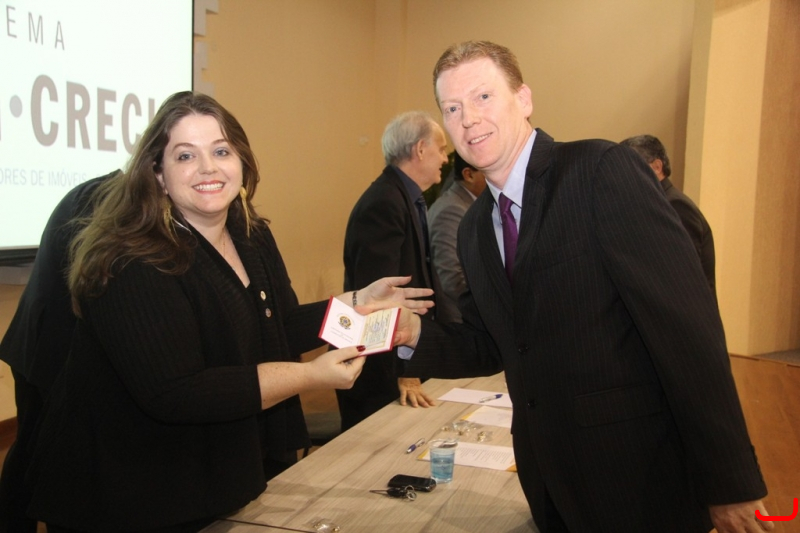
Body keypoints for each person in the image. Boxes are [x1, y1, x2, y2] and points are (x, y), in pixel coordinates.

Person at [394, 41, 772, 533]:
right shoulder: (474, 228)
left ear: (523, 99)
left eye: (483, 97)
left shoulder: (599, 171)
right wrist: (411, 335)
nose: (468, 119)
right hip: (548, 486)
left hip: (639, 482)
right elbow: (494, 343)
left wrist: (729, 481)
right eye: (452, 108)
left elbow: (688, 332)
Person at [22, 91, 433, 533]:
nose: (208, 168)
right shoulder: (131, 258)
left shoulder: (249, 234)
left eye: (221, 151)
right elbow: (177, 391)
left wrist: (358, 301)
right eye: (185, 155)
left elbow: (280, 325)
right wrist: (310, 376)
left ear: (242, 161)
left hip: (205, 472)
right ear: (158, 173)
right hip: (128, 490)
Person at [0, 170, 119, 533]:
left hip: (45, 342)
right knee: (48, 458)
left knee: (34, 450)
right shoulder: (104, 201)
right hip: (49, 348)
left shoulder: (110, 192)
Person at [337, 110, 451, 431]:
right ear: (420, 149)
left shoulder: (403, 197)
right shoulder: (384, 203)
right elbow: (377, 298)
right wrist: (406, 370)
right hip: (382, 370)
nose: (445, 159)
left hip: (400, 358)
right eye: (442, 149)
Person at [621, 134, 716, 295]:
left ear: (657, 167)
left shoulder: (676, 205)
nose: (625, 177)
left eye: (631, 168)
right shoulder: (656, 204)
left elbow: (683, 272)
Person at [428, 151, 487, 322]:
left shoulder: (466, 204)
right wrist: (491, 307)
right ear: (469, 175)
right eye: (488, 171)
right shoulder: (452, 210)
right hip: (460, 319)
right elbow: (452, 279)